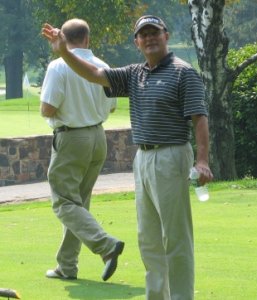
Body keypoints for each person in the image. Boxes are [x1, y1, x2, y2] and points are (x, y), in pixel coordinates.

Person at [42, 15, 213, 299]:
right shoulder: (135, 74)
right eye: (143, 35)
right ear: (137, 42)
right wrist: (64, 53)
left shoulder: (184, 73)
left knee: (175, 237)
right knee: (148, 239)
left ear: (166, 36)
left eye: (154, 33)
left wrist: (203, 161)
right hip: (143, 157)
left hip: (172, 154)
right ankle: (156, 295)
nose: (149, 39)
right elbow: (94, 74)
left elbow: (199, 118)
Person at [40, 18, 124, 282]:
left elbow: (47, 109)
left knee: (64, 202)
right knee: (79, 204)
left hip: (72, 139)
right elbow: (111, 107)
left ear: (63, 39)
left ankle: (105, 245)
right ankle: (67, 266)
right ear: (87, 39)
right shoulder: (102, 66)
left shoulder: (58, 66)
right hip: (98, 138)